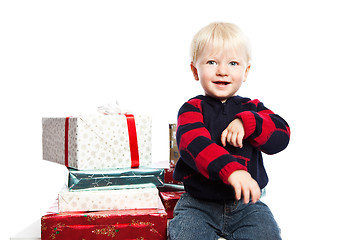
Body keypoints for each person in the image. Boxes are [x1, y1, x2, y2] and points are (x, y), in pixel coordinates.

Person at [168, 22, 290, 240]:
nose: (222, 71)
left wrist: (249, 123)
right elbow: (193, 143)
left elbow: (282, 134)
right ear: (195, 70)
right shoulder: (191, 109)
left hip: (246, 205)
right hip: (198, 204)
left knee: (267, 234)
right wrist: (232, 170)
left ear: (246, 71)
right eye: (211, 62)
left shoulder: (253, 109)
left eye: (233, 63)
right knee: (185, 234)